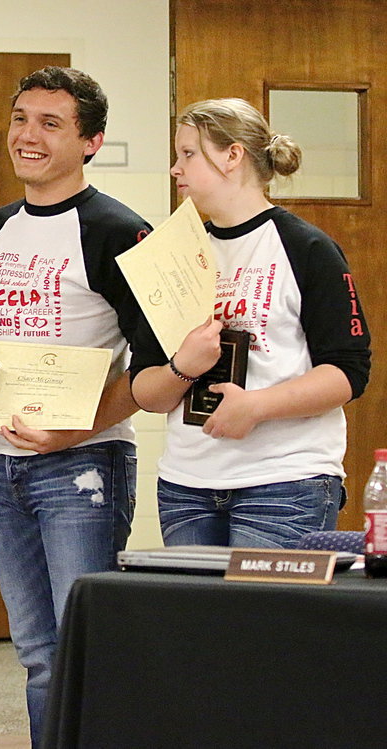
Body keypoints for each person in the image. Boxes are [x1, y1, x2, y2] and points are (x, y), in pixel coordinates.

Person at [0, 67, 149, 747]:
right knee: (37, 654)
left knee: (85, 649)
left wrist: (73, 430)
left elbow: (157, 368)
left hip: (84, 467)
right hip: (0, 465)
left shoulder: (118, 229)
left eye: (51, 123)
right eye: (21, 118)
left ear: (92, 141)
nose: (27, 135)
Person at [130, 98, 371, 547]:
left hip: (285, 482)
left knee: (267, 620)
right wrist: (184, 366)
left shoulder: (307, 248)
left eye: (187, 154)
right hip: (187, 486)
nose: (174, 169)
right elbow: (145, 391)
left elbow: (348, 374)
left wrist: (256, 407)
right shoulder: (172, 257)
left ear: (232, 156)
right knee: (194, 621)